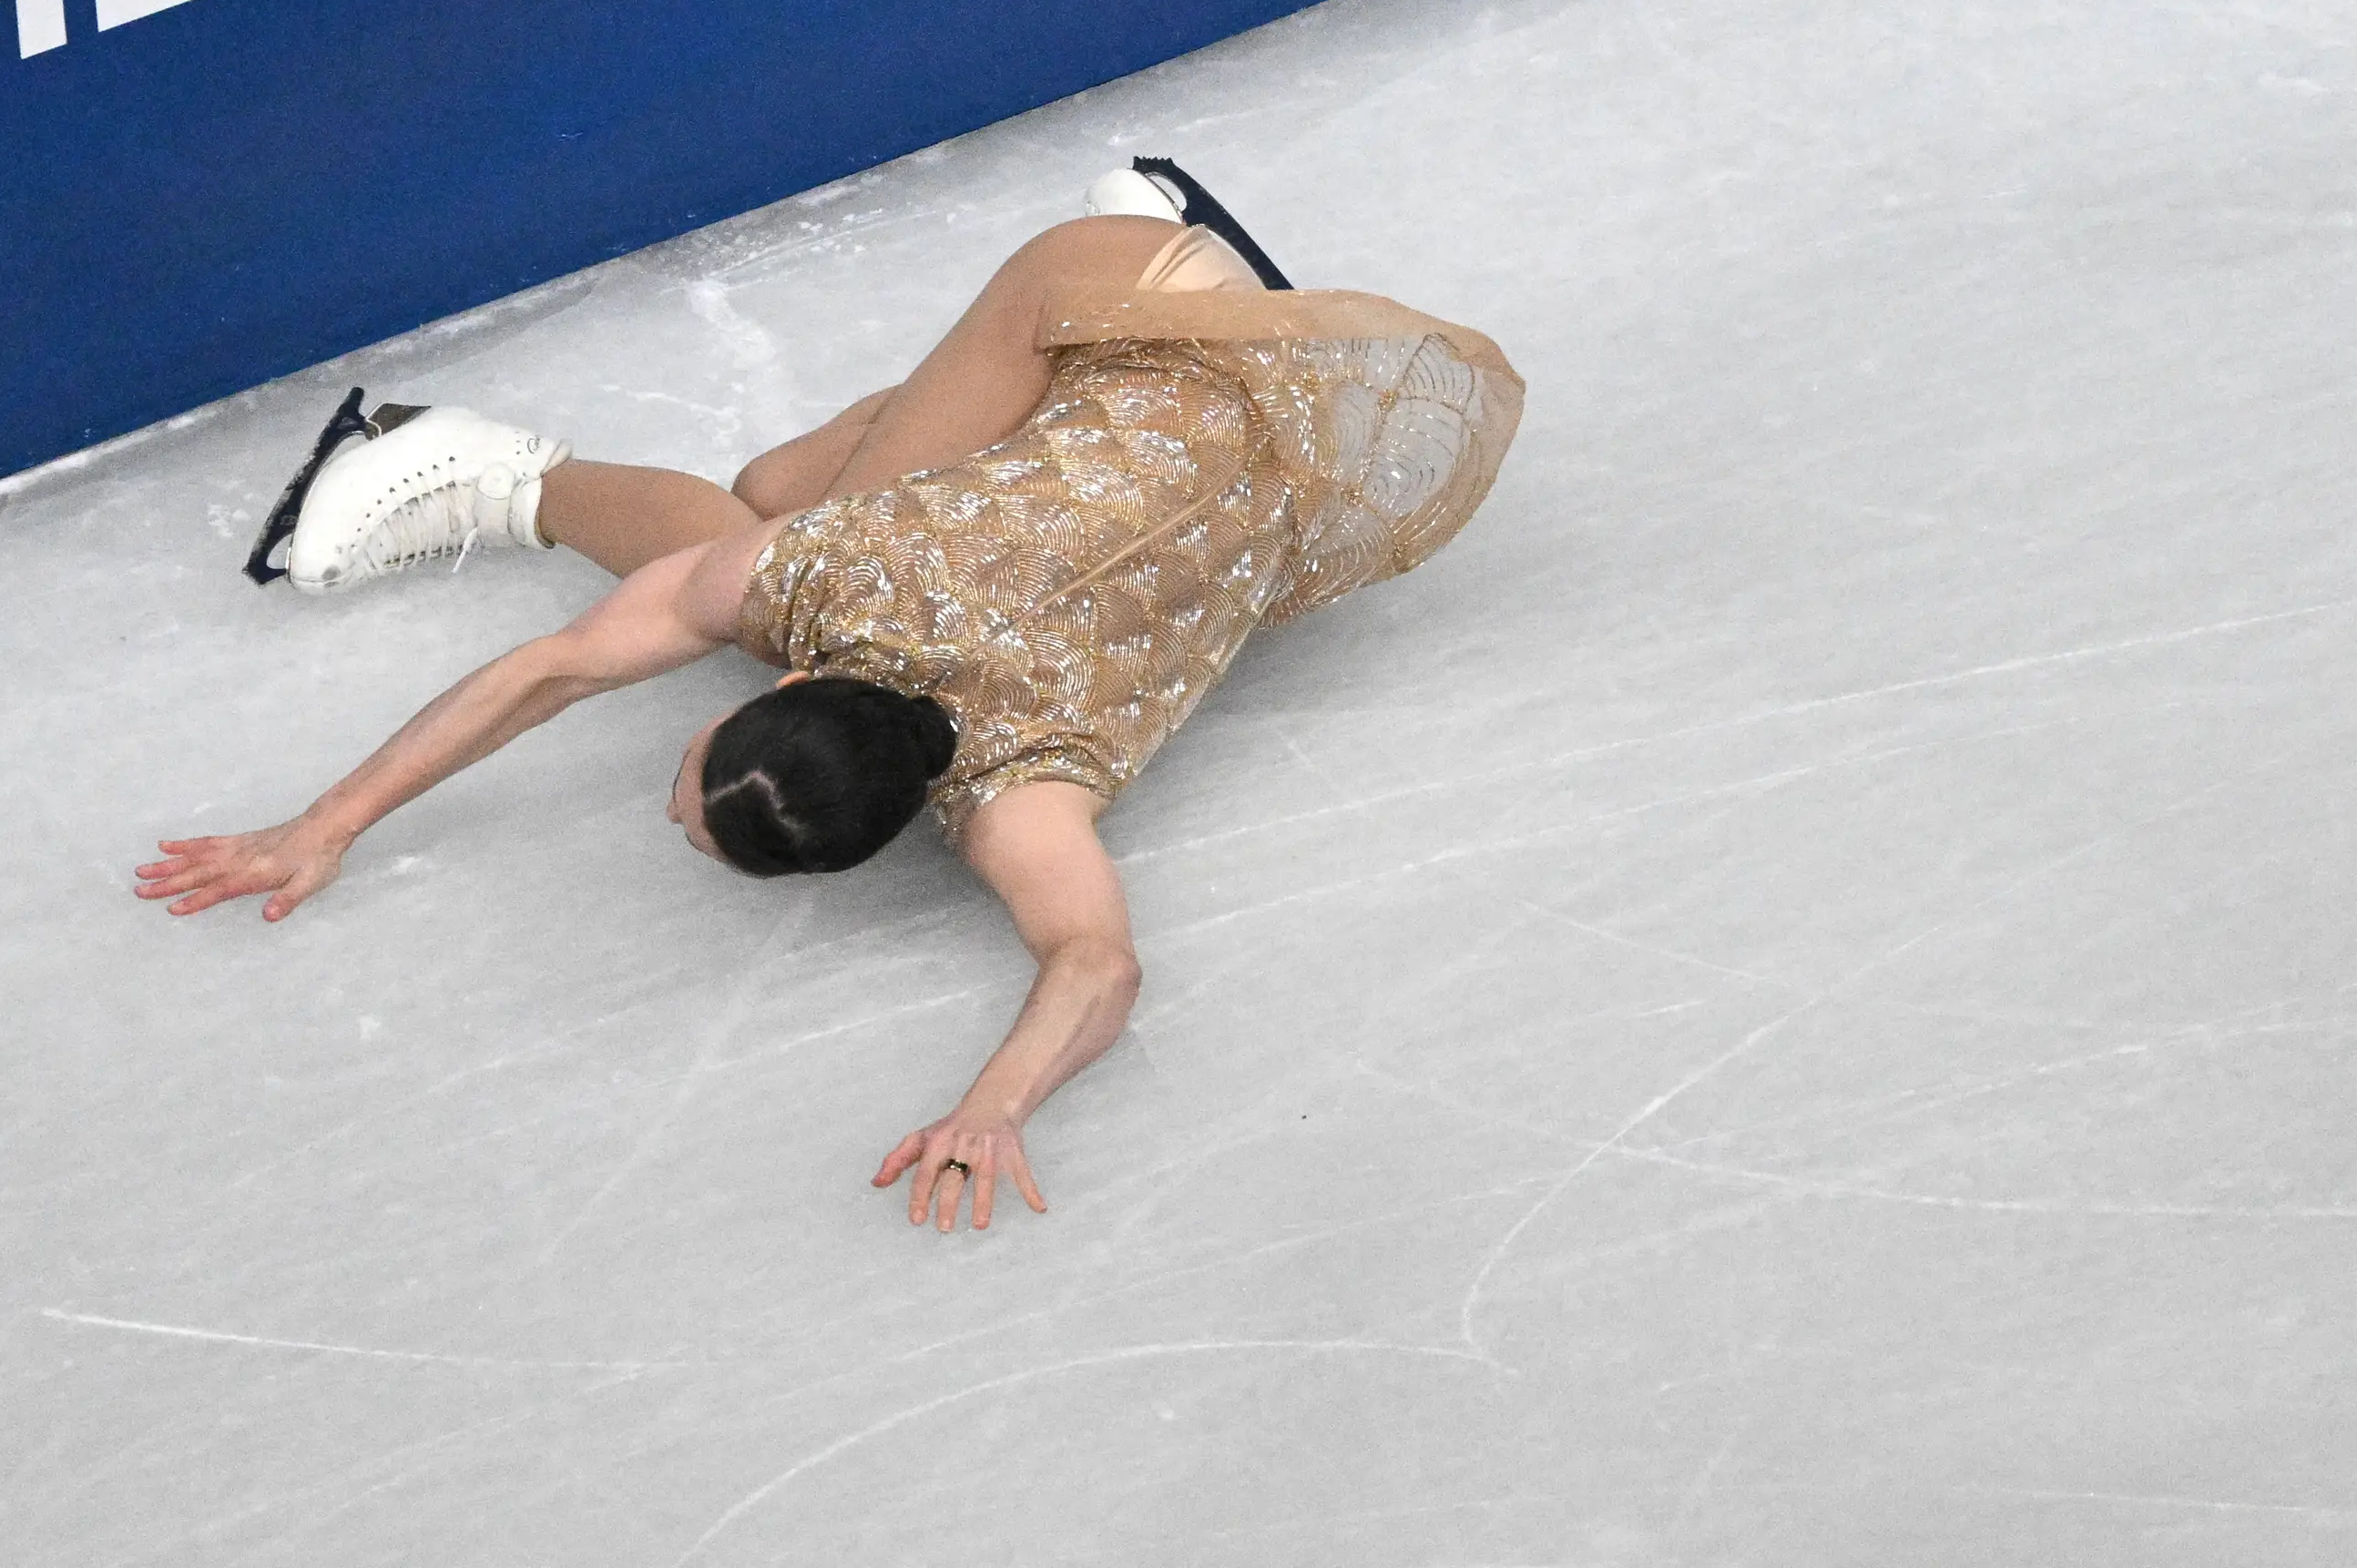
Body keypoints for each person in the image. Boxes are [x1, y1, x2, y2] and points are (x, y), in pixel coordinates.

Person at [138, 163, 1524, 1236]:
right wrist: (328, 822)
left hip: (1226, 381)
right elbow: (544, 675)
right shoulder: (842, 592)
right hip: (1187, 344)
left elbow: (1098, 967)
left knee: (771, 509)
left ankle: (522, 467)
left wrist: (995, 1105)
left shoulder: (983, 755)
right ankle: (488, 465)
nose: (661, 797)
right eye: (690, 795)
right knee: (774, 514)